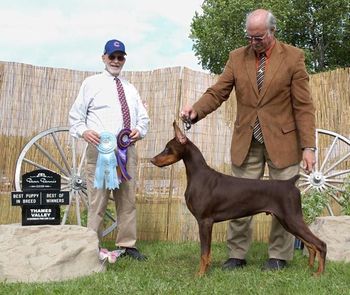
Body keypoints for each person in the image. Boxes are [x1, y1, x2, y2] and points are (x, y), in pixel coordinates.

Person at [180, 9, 316, 271]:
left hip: (283, 141)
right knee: (236, 199)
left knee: (282, 201)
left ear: (272, 31)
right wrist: (196, 110)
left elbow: (304, 106)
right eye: (250, 37)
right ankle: (237, 255)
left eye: (259, 37)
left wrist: (308, 147)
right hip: (247, 141)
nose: (254, 42)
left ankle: (279, 256)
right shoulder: (236, 57)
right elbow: (218, 91)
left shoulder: (294, 58)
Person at [69, 39, 150, 261]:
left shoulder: (131, 89)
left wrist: (139, 131)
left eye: (120, 57)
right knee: (98, 201)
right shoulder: (90, 84)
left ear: (124, 59)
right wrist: (84, 131)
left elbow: (143, 119)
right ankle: (91, 245)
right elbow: (75, 117)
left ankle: (128, 246)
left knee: (127, 200)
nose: (116, 61)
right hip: (100, 151)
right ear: (103, 58)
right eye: (112, 56)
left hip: (127, 152)